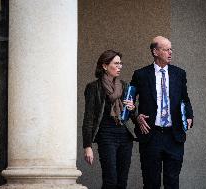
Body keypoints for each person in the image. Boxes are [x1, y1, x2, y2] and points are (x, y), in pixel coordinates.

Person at [130, 36, 194, 189]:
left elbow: (185, 99)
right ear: (155, 51)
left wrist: (190, 116)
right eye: (166, 49)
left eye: (171, 49)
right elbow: (129, 102)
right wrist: (136, 117)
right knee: (151, 182)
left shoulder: (179, 74)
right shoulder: (141, 75)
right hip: (151, 136)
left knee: (172, 182)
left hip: (174, 136)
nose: (170, 52)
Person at [82, 50, 136, 189]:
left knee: (122, 181)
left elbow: (131, 115)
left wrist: (132, 108)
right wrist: (87, 146)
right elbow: (89, 117)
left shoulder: (124, 85)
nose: (120, 66)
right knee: (110, 179)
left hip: (125, 136)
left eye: (120, 63)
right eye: (116, 63)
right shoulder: (93, 87)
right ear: (105, 66)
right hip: (106, 136)